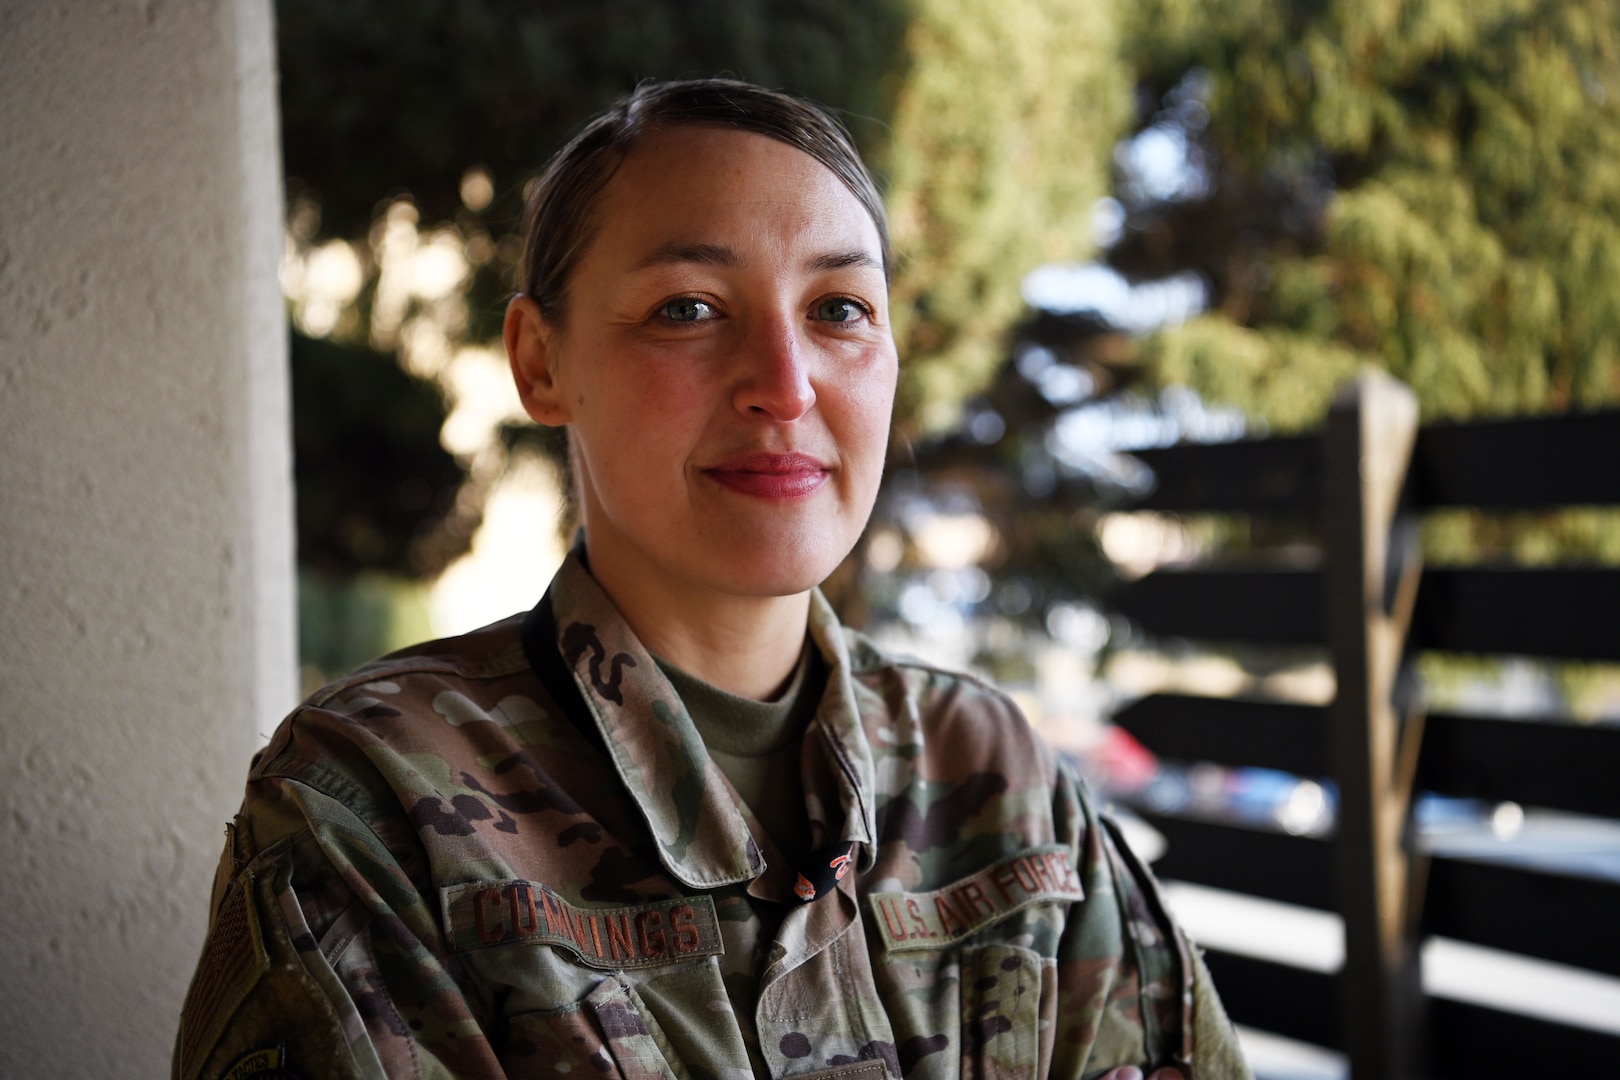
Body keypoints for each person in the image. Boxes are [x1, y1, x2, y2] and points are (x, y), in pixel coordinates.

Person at [173, 78, 1248, 1080]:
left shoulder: (1003, 780)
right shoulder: (373, 811)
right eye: (688, 307)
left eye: (839, 310)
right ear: (541, 361)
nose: (785, 386)